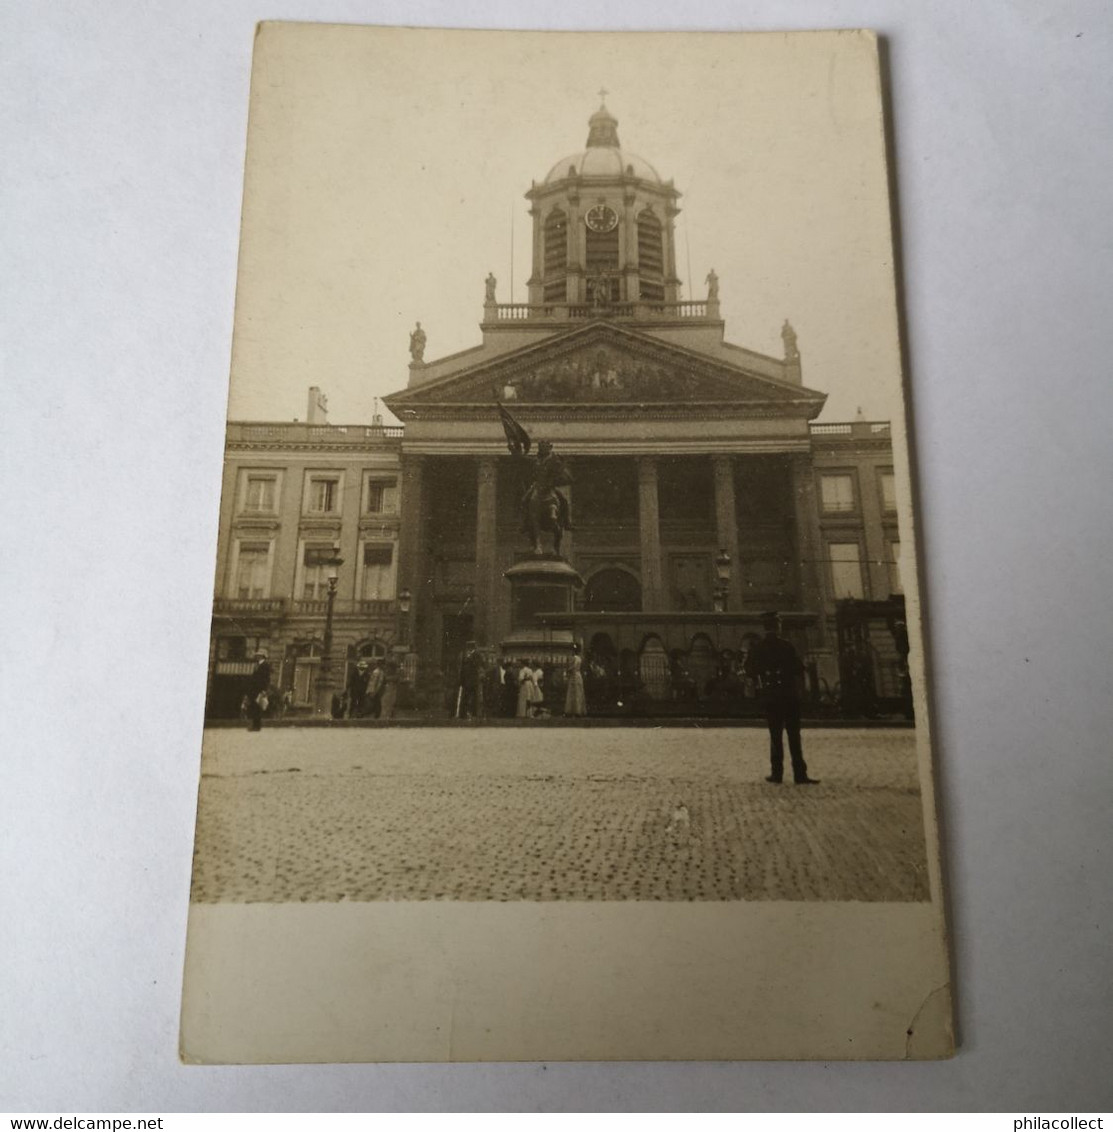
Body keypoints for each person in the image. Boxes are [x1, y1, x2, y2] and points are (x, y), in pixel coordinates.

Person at [744, 613, 819, 785]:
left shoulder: (758, 647)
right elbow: (798, 668)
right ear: (778, 627)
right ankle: (800, 774)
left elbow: (750, 670)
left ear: (765, 628)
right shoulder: (787, 646)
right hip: (789, 695)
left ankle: (776, 773)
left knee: (775, 735)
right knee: (794, 735)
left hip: (771, 696)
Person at [246, 650, 271, 732]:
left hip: (260, 689)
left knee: (258, 707)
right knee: (254, 707)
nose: (257, 657)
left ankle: (257, 726)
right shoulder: (258, 665)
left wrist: (264, 689)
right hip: (255, 689)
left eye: (258, 655)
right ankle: (254, 725)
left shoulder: (265, 665)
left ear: (262, 656)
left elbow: (266, 679)